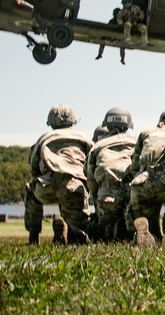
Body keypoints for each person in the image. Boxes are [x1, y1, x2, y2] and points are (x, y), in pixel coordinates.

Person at [25, 105, 93, 245]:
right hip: (73, 186)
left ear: (51, 122)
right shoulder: (83, 139)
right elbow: (92, 164)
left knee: (31, 191)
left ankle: (33, 236)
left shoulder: (44, 138)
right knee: (78, 220)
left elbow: (33, 168)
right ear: (73, 121)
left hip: (47, 185)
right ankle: (73, 233)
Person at [126, 101, 165, 246]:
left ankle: (151, 237)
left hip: (141, 185)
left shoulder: (147, 132)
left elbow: (134, 166)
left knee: (149, 222)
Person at [86, 107, 136, 241]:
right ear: (128, 126)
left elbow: (90, 179)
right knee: (133, 226)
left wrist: (97, 196)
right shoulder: (136, 141)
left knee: (102, 236)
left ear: (107, 126)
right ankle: (131, 231)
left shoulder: (97, 146)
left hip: (108, 196)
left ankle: (111, 230)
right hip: (133, 194)